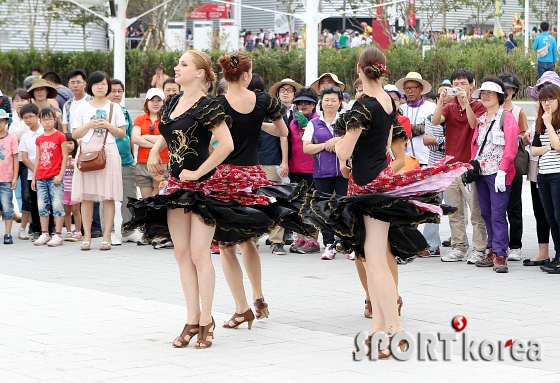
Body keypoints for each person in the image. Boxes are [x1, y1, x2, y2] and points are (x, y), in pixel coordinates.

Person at [303, 47, 468, 358]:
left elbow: (343, 152)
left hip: (367, 188)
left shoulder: (362, 106)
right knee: (373, 257)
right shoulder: (388, 102)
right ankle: (379, 328)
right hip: (378, 181)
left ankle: (394, 330)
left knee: (376, 262)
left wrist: (330, 142)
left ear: (359, 70)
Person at [125, 50, 234, 349]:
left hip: (202, 188)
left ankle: (207, 320)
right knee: (181, 254)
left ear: (200, 73)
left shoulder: (208, 105)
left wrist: (199, 170)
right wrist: (154, 154)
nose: (177, 67)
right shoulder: (172, 101)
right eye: (178, 63)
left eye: (183, 64)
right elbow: (167, 130)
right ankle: (191, 318)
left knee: (200, 255)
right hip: (174, 186)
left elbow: (226, 144)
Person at [214, 52, 288, 330]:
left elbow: (214, 142)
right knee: (248, 240)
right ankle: (259, 297)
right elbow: (282, 131)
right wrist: (257, 122)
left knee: (226, 245)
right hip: (253, 175)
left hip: (225, 177)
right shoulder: (264, 101)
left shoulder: (216, 104)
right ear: (246, 75)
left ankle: (241, 309)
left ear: (226, 75)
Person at [432, 69, 488, 263]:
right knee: (454, 210)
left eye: (463, 83)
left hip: (469, 168)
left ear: (472, 86)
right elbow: (435, 120)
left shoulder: (479, 106)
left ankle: (479, 248)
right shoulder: (449, 107)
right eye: (456, 83)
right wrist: (441, 100)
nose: (459, 87)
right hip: (450, 166)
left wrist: (466, 103)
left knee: (475, 211)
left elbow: (475, 125)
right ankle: (458, 247)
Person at [468, 78, 520, 273]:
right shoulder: (481, 120)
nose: (486, 96)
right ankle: (492, 248)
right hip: (481, 173)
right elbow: (476, 148)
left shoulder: (506, 118)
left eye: (490, 93)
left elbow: (511, 148)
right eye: (483, 92)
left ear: (500, 96)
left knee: (498, 214)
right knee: (486, 213)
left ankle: (500, 254)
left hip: (499, 173)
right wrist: (470, 170)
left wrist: (503, 171)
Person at [71, 71, 126, 251]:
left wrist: (108, 125)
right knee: (86, 197)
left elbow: (122, 132)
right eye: (96, 84)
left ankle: (107, 236)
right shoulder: (82, 108)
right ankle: (86, 236)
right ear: (90, 86)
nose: (100, 87)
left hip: (108, 151)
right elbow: (75, 134)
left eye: (103, 84)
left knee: (108, 197)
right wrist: (90, 124)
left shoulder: (114, 107)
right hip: (87, 151)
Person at [302, 86, 348, 260]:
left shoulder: (346, 121)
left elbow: (354, 140)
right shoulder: (314, 123)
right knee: (324, 209)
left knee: (344, 208)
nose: (330, 103)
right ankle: (329, 245)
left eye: (334, 100)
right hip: (322, 173)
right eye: (326, 100)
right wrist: (325, 145)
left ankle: (347, 243)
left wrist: (339, 140)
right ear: (322, 102)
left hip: (344, 172)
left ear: (340, 102)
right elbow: (306, 147)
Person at [266, 78, 301, 254]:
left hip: (295, 163)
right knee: (270, 198)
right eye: (282, 90)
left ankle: (283, 235)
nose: (286, 93)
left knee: (287, 199)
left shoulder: (299, 113)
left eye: (290, 90)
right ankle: (272, 237)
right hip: (274, 161)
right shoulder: (269, 111)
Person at [132, 88, 170, 246]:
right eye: (152, 100)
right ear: (146, 102)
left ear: (163, 102)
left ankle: (160, 233)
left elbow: (168, 139)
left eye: (159, 100)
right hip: (142, 163)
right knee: (147, 202)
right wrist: (156, 141)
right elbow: (135, 138)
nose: (155, 103)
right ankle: (148, 232)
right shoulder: (141, 118)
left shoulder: (167, 119)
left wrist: (146, 137)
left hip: (163, 164)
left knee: (160, 200)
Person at [499, 73, 530, 262]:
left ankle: (515, 245)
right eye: (502, 87)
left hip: (513, 165)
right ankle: (497, 244)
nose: (505, 91)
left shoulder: (518, 112)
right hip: (494, 163)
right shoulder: (491, 110)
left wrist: (522, 139)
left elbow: (525, 136)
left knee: (514, 206)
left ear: (514, 91)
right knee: (496, 207)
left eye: (509, 88)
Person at [288, 86, 321, 254]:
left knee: (311, 204)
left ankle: (313, 240)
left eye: (307, 103)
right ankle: (300, 237)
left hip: (312, 169)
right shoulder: (292, 121)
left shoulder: (318, 121)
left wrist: (306, 126)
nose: (303, 106)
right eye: (299, 103)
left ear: (314, 104)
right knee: (297, 205)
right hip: (295, 167)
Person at [531, 84, 560, 273]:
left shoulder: (549, 122)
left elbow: (558, 147)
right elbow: (533, 150)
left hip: (558, 175)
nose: (546, 103)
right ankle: (558, 255)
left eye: (550, 99)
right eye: (543, 100)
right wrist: (548, 146)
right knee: (550, 218)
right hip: (544, 175)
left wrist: (549, 124)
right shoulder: (541, 122)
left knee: (559, 216)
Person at [107, 78, 138, 245]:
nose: (117, 94)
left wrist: (132, 158)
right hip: (107, 162)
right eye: (113, 90)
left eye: (120, 91)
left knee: (129, 198)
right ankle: (109, 231)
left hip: (126, 161)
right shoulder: (102, 112)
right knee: (108, 198)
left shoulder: (125, 112)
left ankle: (128, 231)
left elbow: (130, 136)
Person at [31, 107, 68, 247]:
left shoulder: (60, 136)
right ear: (40, 121)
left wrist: (60, 174)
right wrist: (34, 178)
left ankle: (58, 235)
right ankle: (45, 233)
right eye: (44, 119)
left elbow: (65, 157)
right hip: (41, 177)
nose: (47, 122)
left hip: (55, 177)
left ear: (55, 119)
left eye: (49, 119)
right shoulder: (39, 139)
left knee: (57, 205)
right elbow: (38, 159)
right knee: (42, 206)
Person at [395, 72, 436, 167]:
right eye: (407, 88)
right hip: (404, 161)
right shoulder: (401, 108)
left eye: (413, 87)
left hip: (426, 160)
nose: (410, 91)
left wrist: (402, 128)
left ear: (421, 88)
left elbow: (425, 128)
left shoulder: (431, 107)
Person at [18, 103, 44, 241]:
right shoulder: (25, 137)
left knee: (47, 202)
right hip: (31, 174)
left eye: (31, 116)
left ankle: (49, 229)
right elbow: (25, 158)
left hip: (48, 173)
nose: (29, 120)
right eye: (25, 118)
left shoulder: (45, 132)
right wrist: (35, 171)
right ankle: (36, 229)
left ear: (38, 116)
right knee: (33, 202)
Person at [9, 89, 32, 239]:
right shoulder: (9, 119)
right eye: (16, 100)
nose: (20, 103)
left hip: (26, 161)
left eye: (23, 100)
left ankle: (24, 227)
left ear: (29, 101)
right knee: (6, 193)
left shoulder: (31, 118)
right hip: (11, 162)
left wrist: (16, 137)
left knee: (26, 195)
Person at [0, 109, 19, 244]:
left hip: (6, 179)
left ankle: (8, 233)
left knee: (7, 206)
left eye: (2, 121)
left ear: (6, 122)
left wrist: (14, 177)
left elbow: (15, 158)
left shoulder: (11, 138)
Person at [62, 133, 82, 242]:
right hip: (64, 189)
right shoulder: (61, 159)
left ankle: (78, 231)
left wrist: (73, 167)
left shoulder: (77, 158)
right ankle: (69, 231)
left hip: (75, 189)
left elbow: (81, 171)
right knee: (66, 211)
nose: (68, 145)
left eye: (70, 143)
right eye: (65, 143)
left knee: (76, 211)